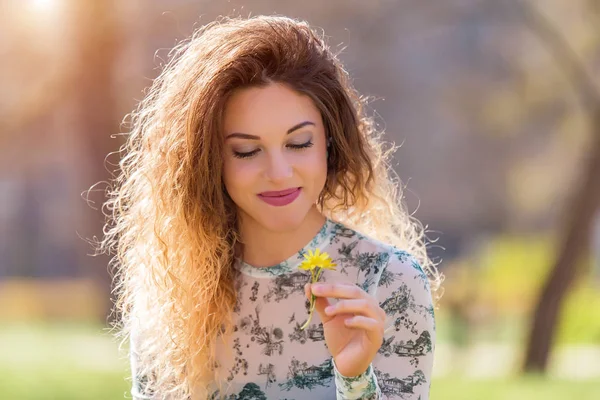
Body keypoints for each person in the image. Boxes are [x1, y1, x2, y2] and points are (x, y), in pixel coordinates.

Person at [101, 15, 442, 400]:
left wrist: (356, 379)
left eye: (299, 144)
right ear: (207, 162)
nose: (279, 173)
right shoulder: (172, 295)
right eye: (247, 151)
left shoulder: (390, 282)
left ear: (331, 143)